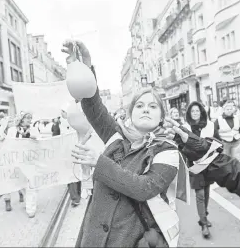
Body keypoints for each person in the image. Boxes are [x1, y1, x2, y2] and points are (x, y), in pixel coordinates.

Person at [63, 40, 189, 248]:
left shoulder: (167, 151)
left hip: (130, 240)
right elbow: (93, 105)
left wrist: (100, 163)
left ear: (161, 117)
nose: (145, 109)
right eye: (139, 105)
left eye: (152, 106)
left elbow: (144, 188)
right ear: (131, 114)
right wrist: (85, 70)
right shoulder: (116, 136)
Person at [163, 117, 240, 200]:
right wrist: (202, 150)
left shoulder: (210, 124)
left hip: (210, 162)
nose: (195, 113)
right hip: (203, 164)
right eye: (193, 111)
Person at [183, 101, 215, 238]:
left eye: (197, 111)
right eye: (193, 111)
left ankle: (205, 215)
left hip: (208, 163)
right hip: (194, 163)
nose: (195, 113)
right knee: (200, 194)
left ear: (201, 112)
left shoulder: (210, 126)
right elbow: (182, 147)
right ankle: (203, 224)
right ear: (189, 114)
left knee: (207, 192)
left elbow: (217, 141)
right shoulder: (185, 128)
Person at [4, 111, 39, 218]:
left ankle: (30, 208)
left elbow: (40, 140)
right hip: (16, 161)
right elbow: (8, 143)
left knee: (31, 185)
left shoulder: (33, 129)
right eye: (27, 117)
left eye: (30, 117)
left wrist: (30, 136)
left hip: (29, 161)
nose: (29, 119)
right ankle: (23, 197)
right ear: (21, 118)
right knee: (19, 183)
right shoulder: (12, 130)